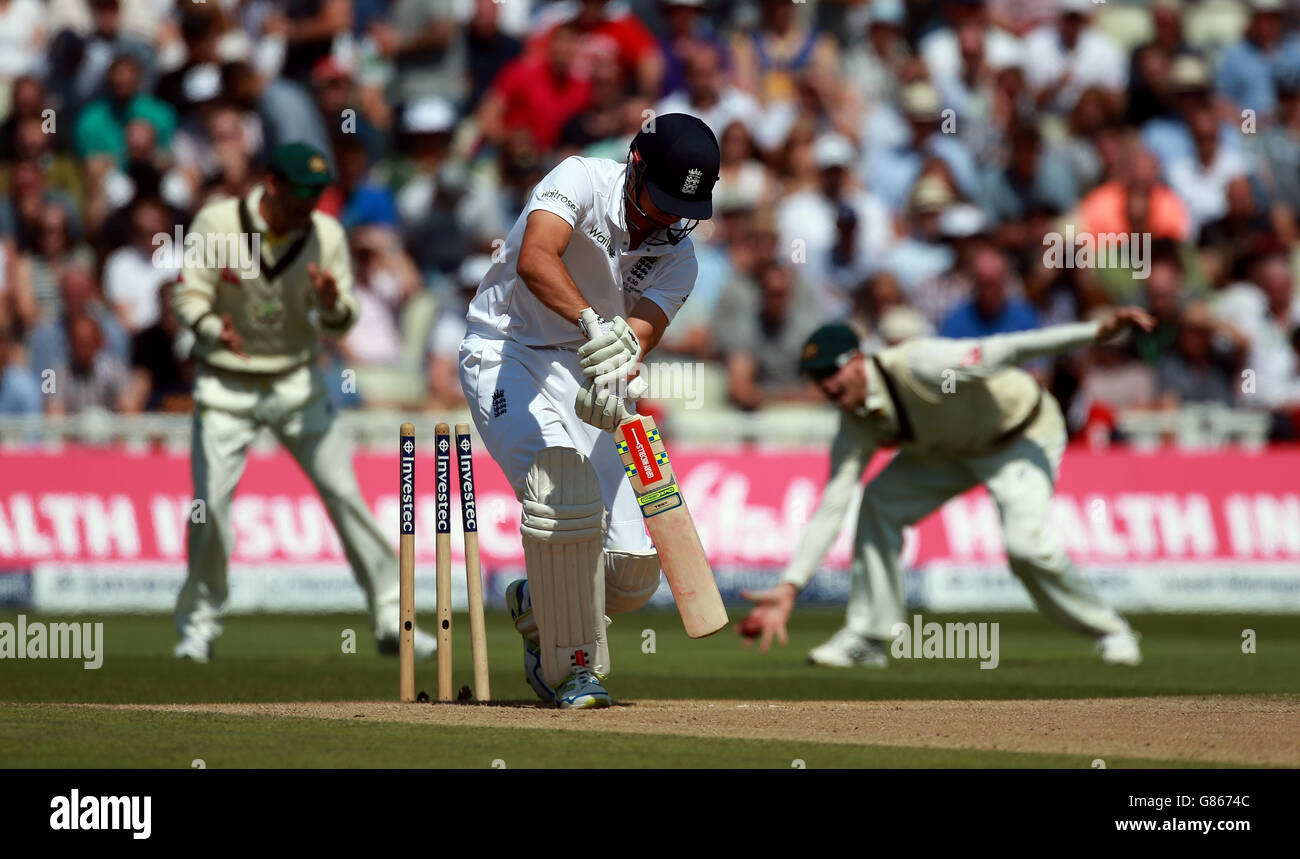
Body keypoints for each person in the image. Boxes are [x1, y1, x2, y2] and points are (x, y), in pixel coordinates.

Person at [459, 113, 719, 708]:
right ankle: (571, 670)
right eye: (657, 201)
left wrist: (616, 366)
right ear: (635, 165)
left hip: (586, 365)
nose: (664, 219)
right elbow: (535, 257)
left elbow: (639, 333)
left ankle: (537, 599)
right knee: (563, 498)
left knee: (630, 572)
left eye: (681, 210)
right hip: (508, 351)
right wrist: (591, 326)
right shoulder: (578, 178)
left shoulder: (681, 259)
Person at [737, 309, 1156, 668]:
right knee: (878, 503)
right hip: (945, 453)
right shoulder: (854, 421)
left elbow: (1011, 349)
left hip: (1018, 436)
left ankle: (1113, 631)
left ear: (859, 360)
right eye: (817, 378)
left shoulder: (923, 363)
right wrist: (791, 585)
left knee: (1027, 549)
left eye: (832, 372)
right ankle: (868, 638)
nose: (827, 386)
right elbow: (834, 502)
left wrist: (1096, 333)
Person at [169, 141, 435, 662]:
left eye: (317, 196)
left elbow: (342, 320)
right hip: (226, 383)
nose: (308, 207)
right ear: (272, 184)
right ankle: (198, 626)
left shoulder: (325, 234)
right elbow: (188, 294)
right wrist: (208, 326)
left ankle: (392, 618)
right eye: (300, 195)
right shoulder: (218, 224)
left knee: (346, 495)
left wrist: (333, 305)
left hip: (296, 380)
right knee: (210, 508)